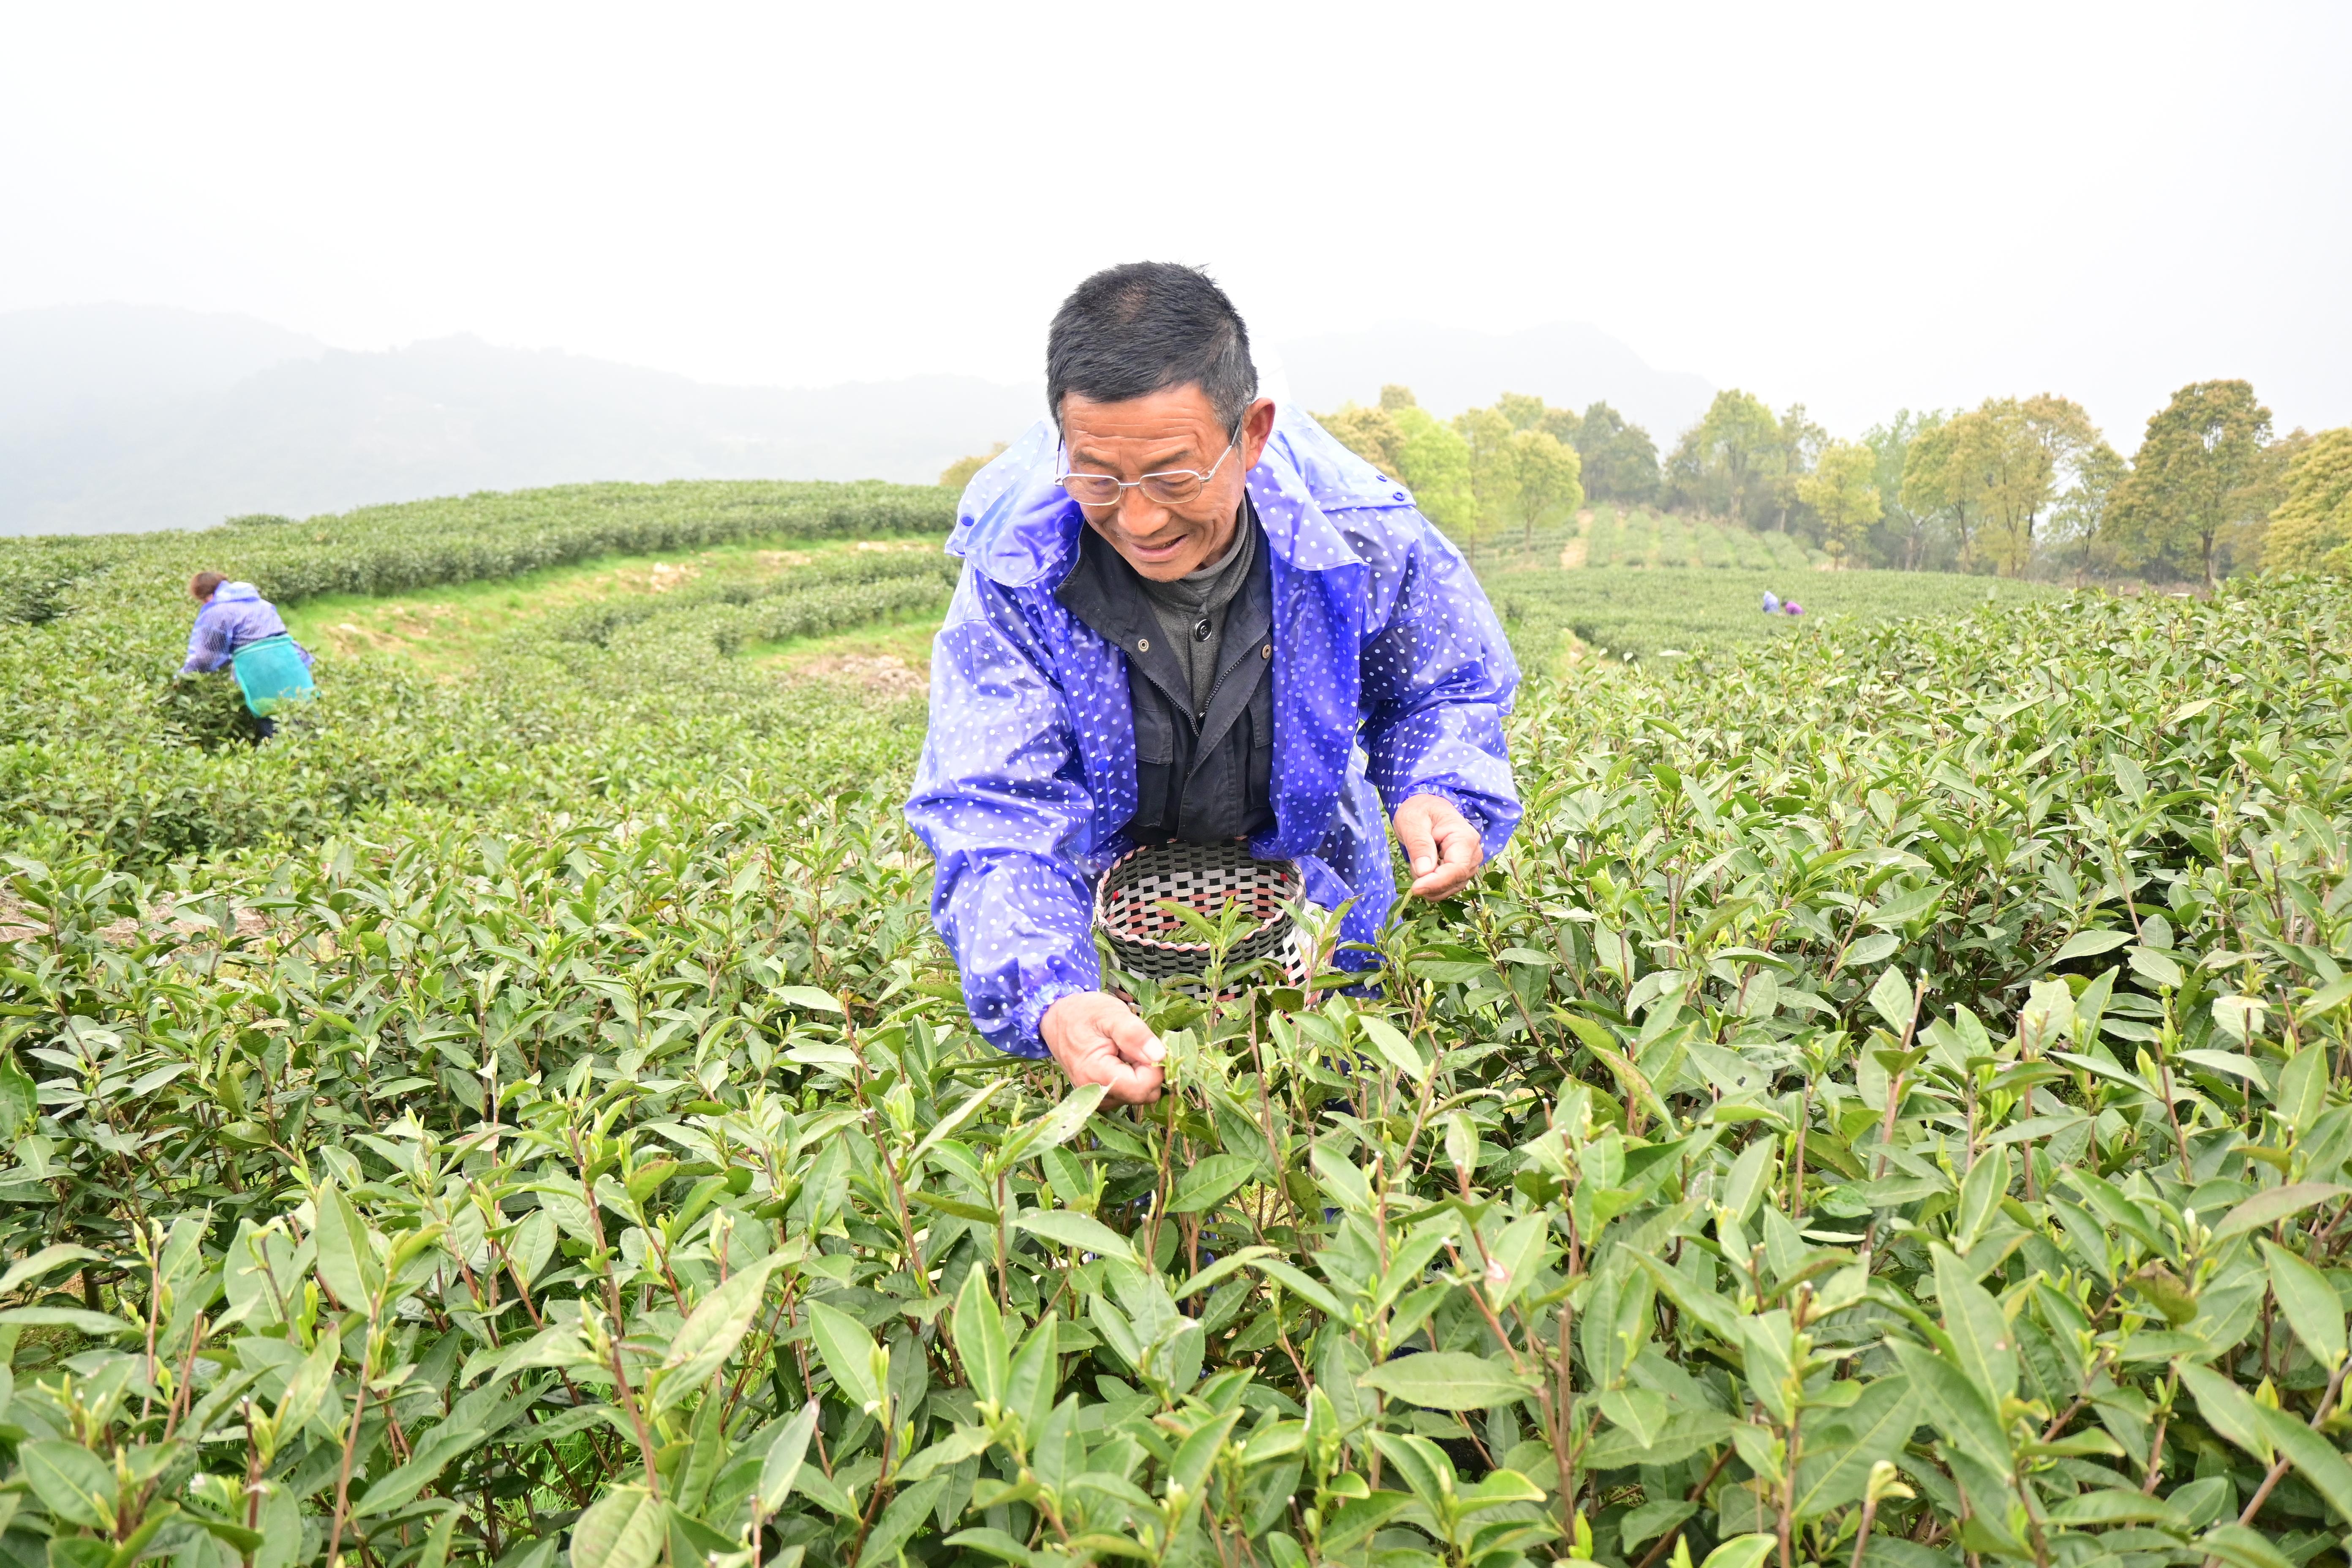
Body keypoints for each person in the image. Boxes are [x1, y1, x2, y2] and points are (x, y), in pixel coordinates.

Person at [905, 264, 1521, 1105]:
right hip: (1103, 922)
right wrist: (1051, 992)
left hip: (1314, 885)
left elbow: (1441, 683)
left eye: (1172, 476)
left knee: (1325, 1122)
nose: (1141, 517)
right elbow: (996, 806)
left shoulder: (1358, 534)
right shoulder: (1022, 572)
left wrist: (1438, 787)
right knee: (1147, 1159)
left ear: (1253, 433)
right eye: (1101, 478)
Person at [180, 572, 313, 738]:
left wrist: (182, 677)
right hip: (292, 665)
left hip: (261, 671)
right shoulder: (262, 604)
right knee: (305, 717)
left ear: (207, 595)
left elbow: (204, 658)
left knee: (274, 725)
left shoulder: (218, 610)